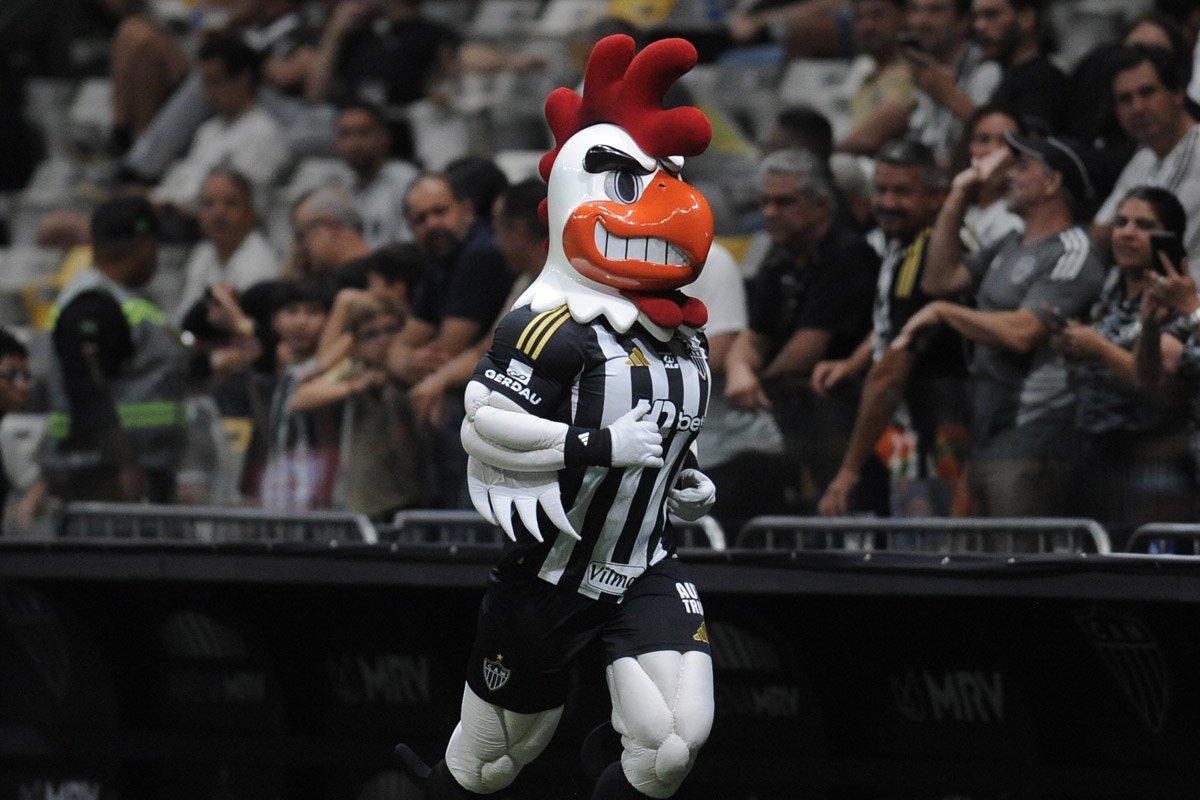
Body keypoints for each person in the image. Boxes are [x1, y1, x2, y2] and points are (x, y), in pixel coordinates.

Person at [395, 34, 717, 800]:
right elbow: (482, 427)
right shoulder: (547, 324)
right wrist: (599, 444)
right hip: (549, 573)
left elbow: (667, 440)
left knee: (674, 743)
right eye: (632, 184)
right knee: (491, 765)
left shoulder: (685, 334)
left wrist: (683, 482)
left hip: (642, 563)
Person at [899, 132, 1105, 517]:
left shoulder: (1072, 251)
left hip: (1036, 430)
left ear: (1053, 181)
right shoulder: (1011, 242)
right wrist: (960, 191)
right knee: (974, 556)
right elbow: (939, 279)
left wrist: (946, 313)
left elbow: (1023, 332)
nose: (1009, 173)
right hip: (988, 423)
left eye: (1023, 166)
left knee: (1018, 558)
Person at [815, 139, 968, 519]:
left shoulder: (928, 253)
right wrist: (853, 363)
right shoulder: (904, 244)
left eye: (902, 192)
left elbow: (890, 374)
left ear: (936, 197)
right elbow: (894, 326)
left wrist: (848, 473)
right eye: (881, 191)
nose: (887, 203)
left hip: (940, 432)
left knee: (932, 558)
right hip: (913, 431)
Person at [724, 148, 879, 508]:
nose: (769, 213)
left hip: (848, 423)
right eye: (765, 202)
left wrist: (756, 386)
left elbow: (805, 352)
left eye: (784, 202)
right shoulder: (779, 258)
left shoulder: (849, 256)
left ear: (822, 205)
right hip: (800, 422)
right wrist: (738, 369)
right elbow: (753, 334)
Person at [1054, 186, 1195, 540]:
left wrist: (1097, 347)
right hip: (1092, 451)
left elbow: (1161, 384)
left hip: (1148, 459)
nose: (1127, 233)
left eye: (1144, 225)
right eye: (1121, 222)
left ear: (1169, 238)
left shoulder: (1179, 301)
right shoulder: (1110, 294)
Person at [42, 196, 187, 504]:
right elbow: (87, 390)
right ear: (145, 245)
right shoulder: (93, 302)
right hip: (103, 475)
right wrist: (124, 465)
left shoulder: (121, 299)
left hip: (137, 466)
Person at [387, 173, 513, 508]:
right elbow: (399, 349)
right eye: (420, 219)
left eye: (440, 212)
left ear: (467, 210)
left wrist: (418, 368)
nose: (432, 224)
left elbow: (445, 351)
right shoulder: (439, 261)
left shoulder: (480, 252)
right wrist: (407, 361)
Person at [288, 294, 426, 519]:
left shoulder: (417, 367)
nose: (383, 340)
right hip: (367, 501)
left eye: (391, 330)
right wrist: (356, 386)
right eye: (371, 334)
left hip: (414, 498)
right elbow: (299, 399)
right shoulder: (354, 370)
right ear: (356, 346)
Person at [151, 34, 291, 216]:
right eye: (205, 83)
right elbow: (184, 178)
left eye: (215, 81)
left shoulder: (265, 133)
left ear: (244, 78)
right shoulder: (208, 130)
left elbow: (237, 201)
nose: (208, 93)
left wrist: (171, 205)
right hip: (173, 213)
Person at [1090, 45, 1200, 278]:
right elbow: (1098, 236)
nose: (1137, 108)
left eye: (1148, 92)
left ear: (1178, 92)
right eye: (1125, 99)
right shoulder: (1142, 159)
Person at [240, 278, 337, 511]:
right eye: (292, 311)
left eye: (313, 312)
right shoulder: (269, 379)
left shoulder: (336, 373)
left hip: (326, 498)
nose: (301, 322)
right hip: (278, 495)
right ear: (275, 320)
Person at [901, 0, 1002, 167]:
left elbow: (990, 138)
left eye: (936, 10)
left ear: (964, 21)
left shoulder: (986, 71)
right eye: (915, 10)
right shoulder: (921, 67)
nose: (921, 21)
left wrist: (949, 95)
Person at [174, 168, 281, 324]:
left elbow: (248, 328)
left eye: (231, 203)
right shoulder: (203, 251)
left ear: (251, 212)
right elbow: (184, 315)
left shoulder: (261, 264)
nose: (218, 212)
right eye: (208, 204)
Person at [971, 0, 1070, 132]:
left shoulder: (1042, 80)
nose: (979, 26)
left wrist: (952, 98)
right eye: (976, 17)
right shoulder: (1002, 75)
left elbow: (1024, 147)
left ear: (1026, 18)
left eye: (991, 15)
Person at [333, 102, 420, 248]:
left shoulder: (407, 181)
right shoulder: (337, 190)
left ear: (383, 136)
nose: (354, 143)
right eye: (346, 134)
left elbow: (411, 245)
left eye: (364, 133)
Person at [837, 0, 918, 156]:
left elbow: (870, 139)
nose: (867, 26)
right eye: (859, 18)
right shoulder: (863, 69)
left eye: (877, 15)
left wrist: (822, 156)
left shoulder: (909, 69)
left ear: (903, 17)